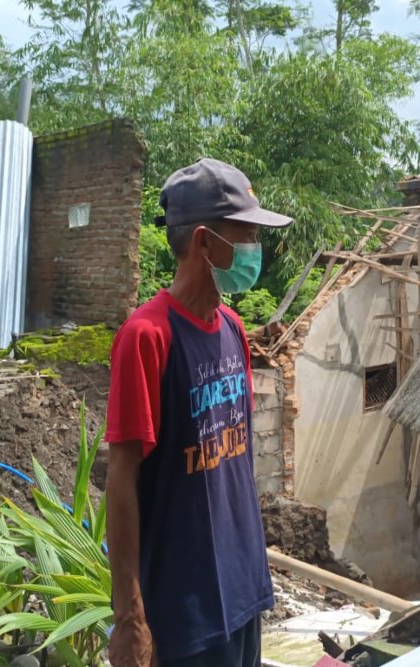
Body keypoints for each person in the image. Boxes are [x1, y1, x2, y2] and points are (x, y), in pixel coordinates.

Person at [105, 158, 293, 667]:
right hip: (184, 613)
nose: (256, 247)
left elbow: (233, 459)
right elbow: (121, 481)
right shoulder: (147, 338)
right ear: (205, 242)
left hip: (241, 594)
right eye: (247, 233)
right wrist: (130, 619)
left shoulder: (232, 328)